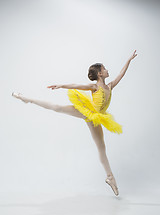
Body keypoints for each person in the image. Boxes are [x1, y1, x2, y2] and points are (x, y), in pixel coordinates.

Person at [12, 50, 137, 196]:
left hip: (97, 118)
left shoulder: (109, 86)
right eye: (104, 68)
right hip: (87, 111)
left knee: (102, 148)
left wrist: (129, 60)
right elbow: (76, 85)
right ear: (99, 74)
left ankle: (110, 178)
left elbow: (121, 74)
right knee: (57, 108)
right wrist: (61, 85)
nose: (107, 70)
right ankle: (26, 99)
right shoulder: (94, 87)